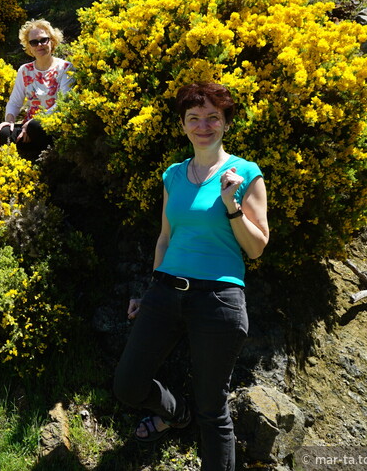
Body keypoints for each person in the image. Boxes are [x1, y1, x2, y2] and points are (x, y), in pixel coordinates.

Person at [113, 83, 269, 471]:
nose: (204, 125)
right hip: (165, 293)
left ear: (226, 124)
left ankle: (193, 421)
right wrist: (151, 289)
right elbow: (165, 237)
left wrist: (233, 205)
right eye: (194, 118)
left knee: (213, 409)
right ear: (183, 125)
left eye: (213, 117)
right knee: (128, 385)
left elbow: (257, 247)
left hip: (219, 300)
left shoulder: (245, 173)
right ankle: (176, 414)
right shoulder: (173, 175)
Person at [0, 19, 73, 159]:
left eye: (44, 40)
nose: (40, 45)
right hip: (28, 127)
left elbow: (64, 104)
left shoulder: (66, 68)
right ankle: (32, 150)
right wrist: (10, 120)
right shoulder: (25, 70)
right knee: (3, 131)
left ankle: (47, 155)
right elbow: (14, 102)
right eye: (34, 42)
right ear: (29, 47)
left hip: (53, 126)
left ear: (52, 41)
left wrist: (31, 123)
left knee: (36, 127)